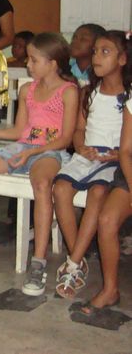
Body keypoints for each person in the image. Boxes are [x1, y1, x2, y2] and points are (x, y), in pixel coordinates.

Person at [0, 33, 78, 297]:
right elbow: (19, 132)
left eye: (34, 60)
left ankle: (39, 262)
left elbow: (65, 139)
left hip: (49, 151)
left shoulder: (68, 92)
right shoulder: (27, 90)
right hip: (22, 148)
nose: (28, 64)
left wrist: (33, 151)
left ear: (53, 63)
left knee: (42, 184)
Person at [53, 30, 130, 299]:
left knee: (98, 192)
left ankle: (73, 264)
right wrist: (80, 146)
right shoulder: (89, 92)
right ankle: (78, 257)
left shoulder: (128, 97)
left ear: (122, 59)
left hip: (113, 160)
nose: (97, 56)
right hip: (87, 155)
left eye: (105, 52)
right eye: (96, 51)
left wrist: (117, 155)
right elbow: (79, 129)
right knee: (60, 189)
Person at [73, 35, 131, 317]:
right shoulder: (129, 99)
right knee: (107, 220)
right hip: (128, 172)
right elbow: (127, 152)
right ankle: (110, 289)